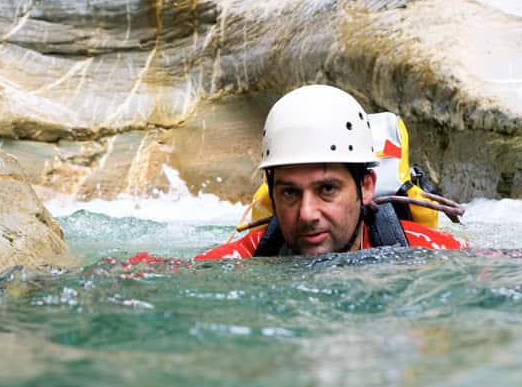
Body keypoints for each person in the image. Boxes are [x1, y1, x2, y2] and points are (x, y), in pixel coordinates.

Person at [195, 85, 463, 260]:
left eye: (327, 189)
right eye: (289, 192)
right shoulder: (245, 257)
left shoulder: (428, 251)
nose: (307, 214)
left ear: (366, 186)